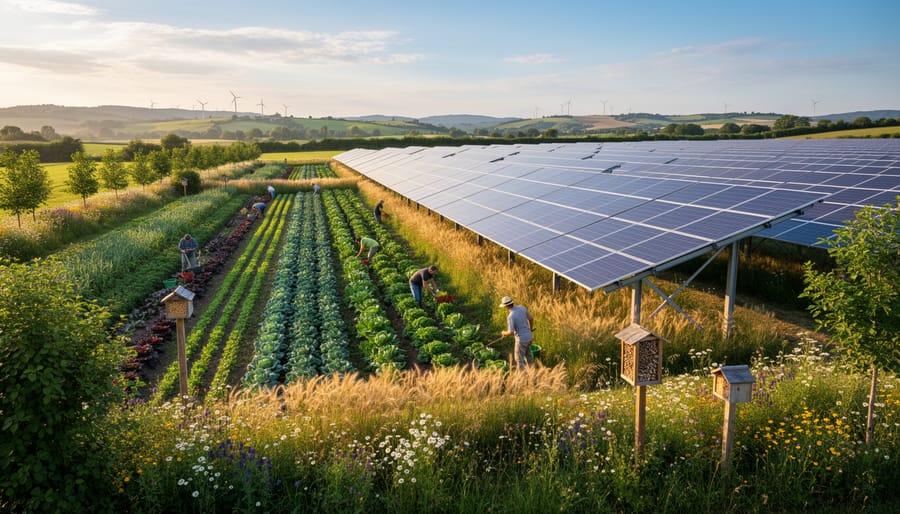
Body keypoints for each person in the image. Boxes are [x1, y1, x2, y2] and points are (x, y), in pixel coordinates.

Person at [499, 296, 534, 369]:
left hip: (521, 340)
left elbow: (510, 332)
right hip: (529, 338)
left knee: (519, 360)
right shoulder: (522, 307)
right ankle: (533, 373)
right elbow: (531, 319)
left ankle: (522, 378)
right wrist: (530, 330)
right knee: (529, 356)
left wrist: (503, 333)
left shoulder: (511, 316)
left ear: (506, 306)